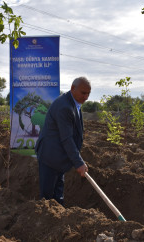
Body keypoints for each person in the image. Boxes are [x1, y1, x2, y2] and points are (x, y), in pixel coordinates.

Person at [35, 77, 91, 205]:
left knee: (58, 195)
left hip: (59, 158)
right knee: (47, 198)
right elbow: (67, 138)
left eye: (88, 93)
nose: (86, 97)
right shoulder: (64, 107)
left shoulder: (73, 102)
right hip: (50, 156)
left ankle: (59, 217)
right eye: (83, 93)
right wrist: (79, 163)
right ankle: (45, 222)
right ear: (72, 88)